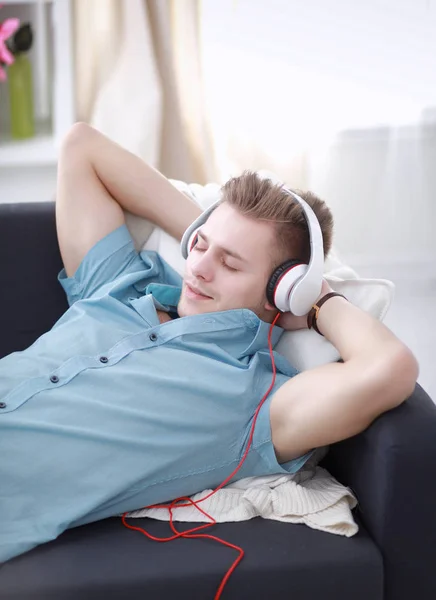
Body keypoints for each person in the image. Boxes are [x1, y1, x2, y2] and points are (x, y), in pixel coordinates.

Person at [0, 123, 418, 564]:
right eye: (198, 245)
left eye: (230, 265)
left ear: (280, 291)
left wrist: (317, 299)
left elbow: (389, 369)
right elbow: (82, 146)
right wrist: (216, 233)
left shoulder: (252, 398)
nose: (197, 269)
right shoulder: (121, 284)